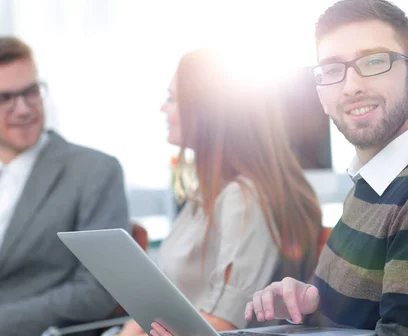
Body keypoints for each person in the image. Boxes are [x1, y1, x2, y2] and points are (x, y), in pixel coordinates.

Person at [239, 1, 408, 336]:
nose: (351, 86)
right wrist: (313, 301)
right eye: (333, 68)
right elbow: (357, 315)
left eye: (374, 62)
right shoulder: (378, 178)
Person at [111, 49, 324, 336]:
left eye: (173, 98)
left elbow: (223, 324)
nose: (164, 108)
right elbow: (162, 306)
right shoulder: (210, 194)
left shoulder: (246, 198)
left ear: (207, 113)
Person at [0, 36, 130, 336]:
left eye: (30, 91)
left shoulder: (95, 171)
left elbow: (101, 289)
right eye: (2, 98)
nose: (22, 109)